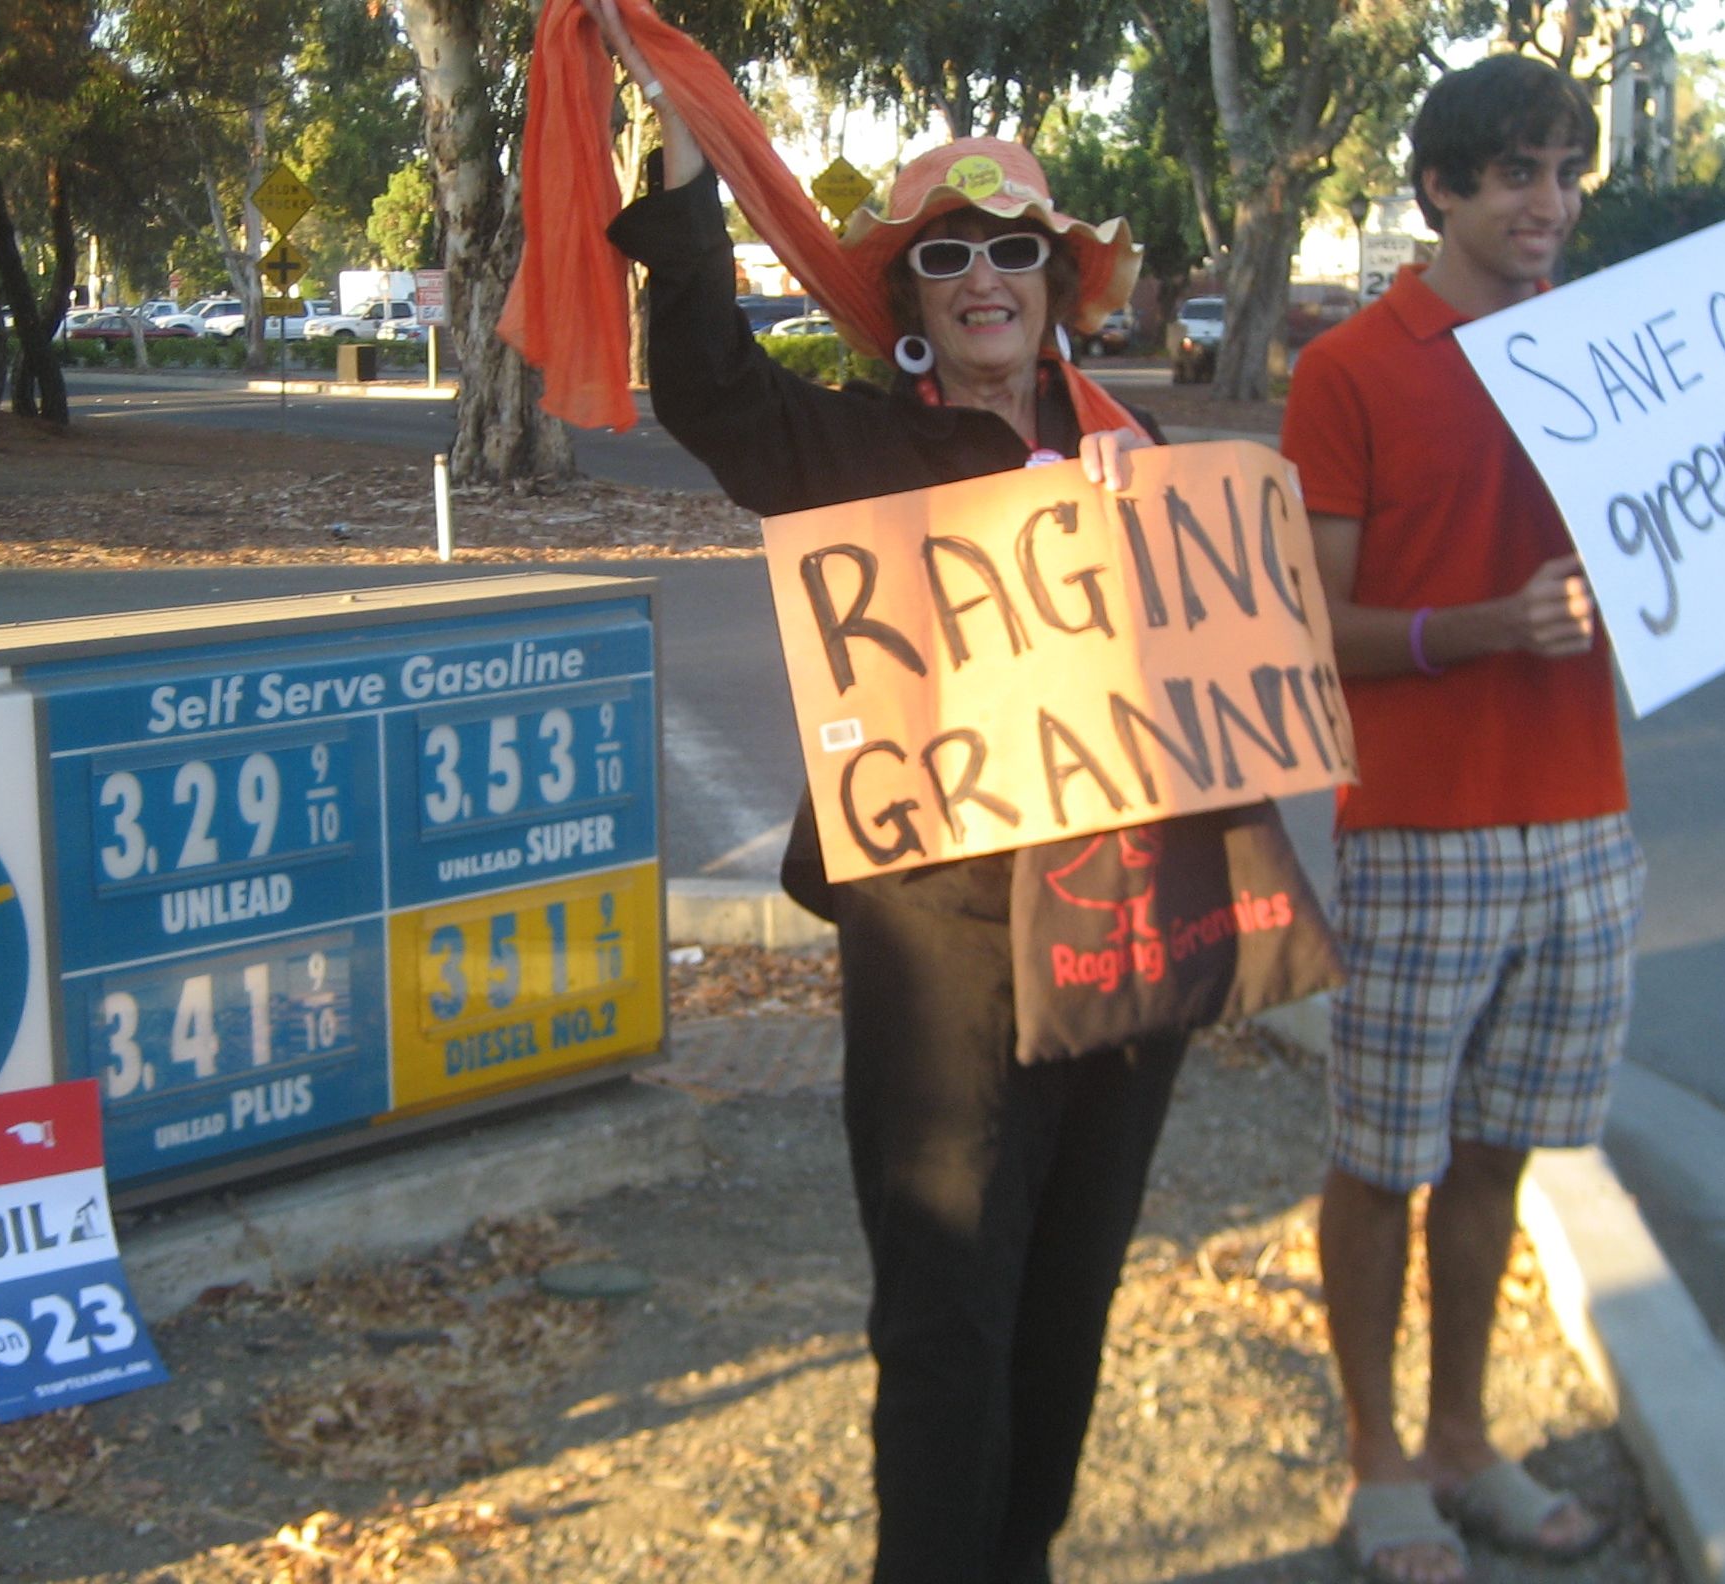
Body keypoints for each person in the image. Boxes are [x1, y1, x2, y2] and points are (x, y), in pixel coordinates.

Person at [561, 4, 1263, 1579]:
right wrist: (683, 162)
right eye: (946, 257)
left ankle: (1022, 1554)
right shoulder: (854, 455)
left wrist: (1145, 527)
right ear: (911, 303)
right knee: (948, 1308)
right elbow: (712, 392)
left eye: (1014, 249)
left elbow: (1233, 667)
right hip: (943, 945)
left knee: (1072, 1296)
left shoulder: (1139, 448)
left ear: (1060, 285)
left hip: (1124, 931)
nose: (983, 277)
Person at [1280, 56, 1725, 1584]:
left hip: (1587, 827)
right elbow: (1311, 630)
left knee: (1499, 1156)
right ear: (1440, 191)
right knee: (1381, 1162)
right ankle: (1377, 1460)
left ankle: (1461, 1439)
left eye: (1565, 173)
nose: (1548, 204)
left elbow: (1717, 522)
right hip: (1419, 830)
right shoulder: (1351, 369)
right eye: (1515, 175)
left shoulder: (1616, 354)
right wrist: (1485, 627)